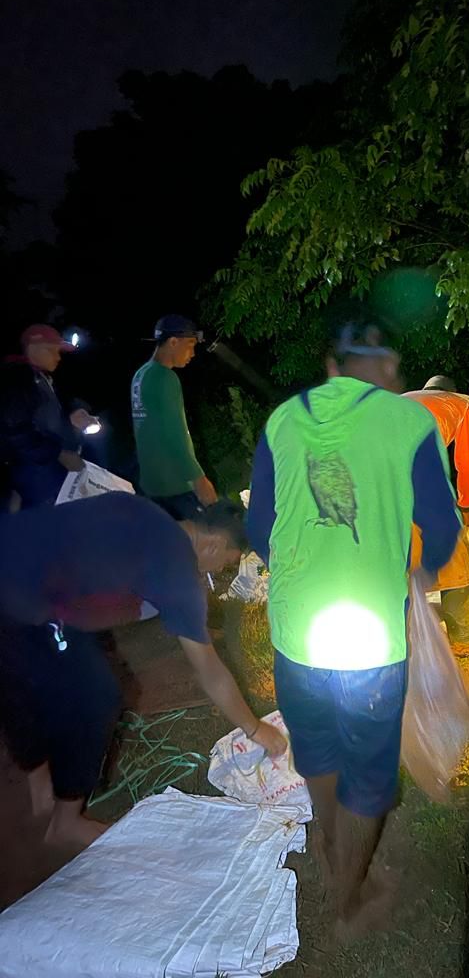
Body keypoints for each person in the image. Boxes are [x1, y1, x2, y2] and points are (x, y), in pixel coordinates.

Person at [248, 324, 461, 935]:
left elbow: (260, 525)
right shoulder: (410, 423)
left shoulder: (283, 419)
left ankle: (330, 853)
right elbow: (442, 531)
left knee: (316, 745)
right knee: (369, 765)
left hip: (295, 630)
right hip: (369, 635)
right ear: (390, 368)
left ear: (331, 364)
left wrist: (302, 571)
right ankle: (349, 899)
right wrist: (412, 574)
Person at [0, 492, 286, 850]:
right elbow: (209, 671)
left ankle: (39, 783)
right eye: (227, 563)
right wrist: (255, 728)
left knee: (26, 679)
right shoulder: (177, 568)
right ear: (212, 545)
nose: (220, 572)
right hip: (24, 598)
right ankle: (65, 822)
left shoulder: (143, 509)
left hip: (13, 547)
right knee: (97, 696)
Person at [403, 375, 469, 642]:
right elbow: (467, 464)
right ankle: (463, 630)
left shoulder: (401, 403)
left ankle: (399, 633)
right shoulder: (459, 406)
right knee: (455, 550)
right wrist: (466, 504)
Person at [0, 325, 98, 509]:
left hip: (45, 470)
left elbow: (50, 410)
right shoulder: (18, 379)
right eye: (52, 350)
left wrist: (73, 413)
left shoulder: (40, 377)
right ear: (33, 348)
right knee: (44, 524)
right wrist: (59, 454)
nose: (58, 357)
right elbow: (16, 430)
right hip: (36, 474)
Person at [131, 314, 217, 520]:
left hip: (151, 483)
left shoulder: (140, 375)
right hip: (175, 483)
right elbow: (174, 433)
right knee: (203, 542)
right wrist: (198, 479)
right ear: (173, 342)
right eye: (190, 345)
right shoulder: (165, 377)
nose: (193, 353)